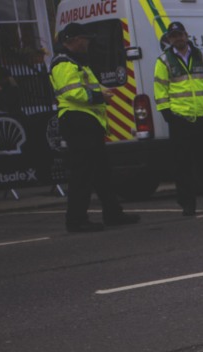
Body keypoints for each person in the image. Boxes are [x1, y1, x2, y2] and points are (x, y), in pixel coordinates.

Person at [50, 23, 139, 233]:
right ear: (74, 40)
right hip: (77, 120)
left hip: (88, 121)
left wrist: (101, 91)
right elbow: (71, 92)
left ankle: (113, 213)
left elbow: (85, 87)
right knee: (82, 174)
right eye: (85, 39)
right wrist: (100, 96)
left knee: (101, 172)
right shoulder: (63, 62)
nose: (88, 42)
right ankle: (76, 220)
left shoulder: (77, 62)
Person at [154, 21, 203, 216]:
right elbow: (160, 89)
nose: (178, 38)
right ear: (169, 39)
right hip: (180, 120)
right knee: (183, 165)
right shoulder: (164, 61)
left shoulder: (201, 57)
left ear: (186, 35)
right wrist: (167, 114)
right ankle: (188, 205)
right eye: (173, 36)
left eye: (180, 34)